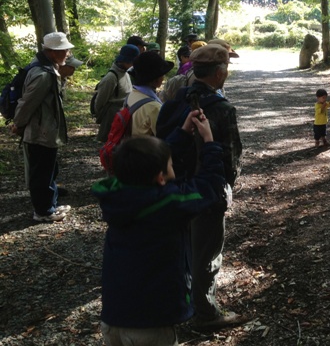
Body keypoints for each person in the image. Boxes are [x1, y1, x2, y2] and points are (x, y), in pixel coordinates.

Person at [92, 110, 228, 346]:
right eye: (171, 163)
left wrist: (183, 132)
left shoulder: (117, 194)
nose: (173, 164)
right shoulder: (168, 203)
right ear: (161, 177)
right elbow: (207, 187)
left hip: (114, 317)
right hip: (150, 324)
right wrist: (209, 143)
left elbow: (145, 160)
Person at [173, 43, 243, 330]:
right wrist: (227, 186)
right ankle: (205, 313)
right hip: (208, 191)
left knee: (186, 251)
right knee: (207, 254)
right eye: (225, 68)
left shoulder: (176, 98)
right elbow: (229, 154)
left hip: (176, 188)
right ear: (217, 73)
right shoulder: (221, 108)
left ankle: (185, 302)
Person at [11, 32, 74, 222]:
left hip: (46, 129)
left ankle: (50, 205)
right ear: (53, 52)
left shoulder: (49, 69)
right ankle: (43, 212)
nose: (68, 53)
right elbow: (27, 103)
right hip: (40, 131)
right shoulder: (43, 75)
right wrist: (18, 124)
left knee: (48, 169)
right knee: (41, 172)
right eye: (64, 50)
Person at [94, 45, 140, 142]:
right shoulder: (111, 78)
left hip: (124, 115)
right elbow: (100, 102)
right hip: (112, 116)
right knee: (112, 147)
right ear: (126, 61)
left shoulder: (126, 73)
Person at [129, 51, 174, 136]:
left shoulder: (133, 94)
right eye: (162, 75)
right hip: (147, 148)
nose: (163, 78)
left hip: (131, 146)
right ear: (155, 79)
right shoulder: (154, 107)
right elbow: (165, 137)